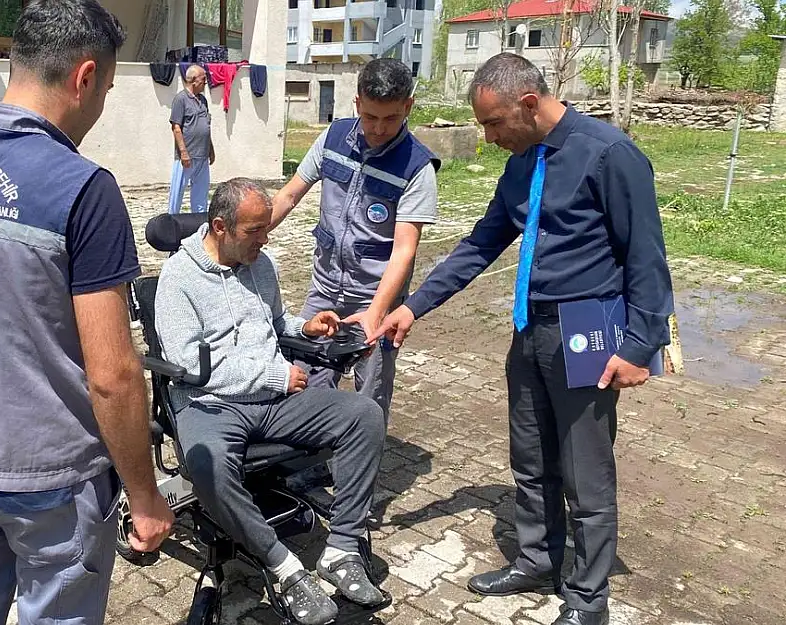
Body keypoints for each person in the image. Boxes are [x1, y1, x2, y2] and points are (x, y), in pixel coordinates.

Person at [0, 2, 174, 624]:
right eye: (104, 89)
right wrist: (146, 497)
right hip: (47, 472)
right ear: (85, 76)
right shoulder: (81, 187)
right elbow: (114, 375)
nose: (98, 109)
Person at [369, 53, 674, 625]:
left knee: (585, 470)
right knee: (530, 455)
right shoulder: (521, 163)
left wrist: (640, 346)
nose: (487, 137)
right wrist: (414, 306)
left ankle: (587, 599)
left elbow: (646, 258)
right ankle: (537, 558)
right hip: (529, 328)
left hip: (588, 333)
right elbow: (482, 243)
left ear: (529, 104)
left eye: (493, 124)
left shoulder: (609, 154)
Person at [155, 178, 387, 625]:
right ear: (220, 227)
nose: (265, 238)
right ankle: (284, 567)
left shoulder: (262, 264)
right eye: (255, 231)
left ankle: (340, 550)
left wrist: (306, 329)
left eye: (266, 228)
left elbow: (274, 323)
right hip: (210, 403)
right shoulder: (178, 279)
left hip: (271, 399)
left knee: (364, 415)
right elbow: (190, 365)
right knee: (208, 464)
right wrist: (278, 374)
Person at [270, 57, 440, 425]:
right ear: (357, 103)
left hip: (375, 294)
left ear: (407, 107)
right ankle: (311, 455)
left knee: (370, 389)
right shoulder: (332, 138)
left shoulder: (417, 168)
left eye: (391, 118)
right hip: (324, 287)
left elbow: (404, 250)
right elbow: (288, 196)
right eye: (371, 117)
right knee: (310, 375)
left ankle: (361, 469)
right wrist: (247, 236)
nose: (379, 129)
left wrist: (378, 312)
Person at [167, 64, 214, 214]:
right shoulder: (180, 99)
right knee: (177, 193)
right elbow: (176, 128)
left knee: (201, 194)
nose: (206, 82)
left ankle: (199, 223)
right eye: (203, 79)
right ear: (193, 80)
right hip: (186, 156)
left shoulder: (203, 100)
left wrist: (211, 149)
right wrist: (183, 152)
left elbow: (206, 126)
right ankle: (171, 220)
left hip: (202, 155)